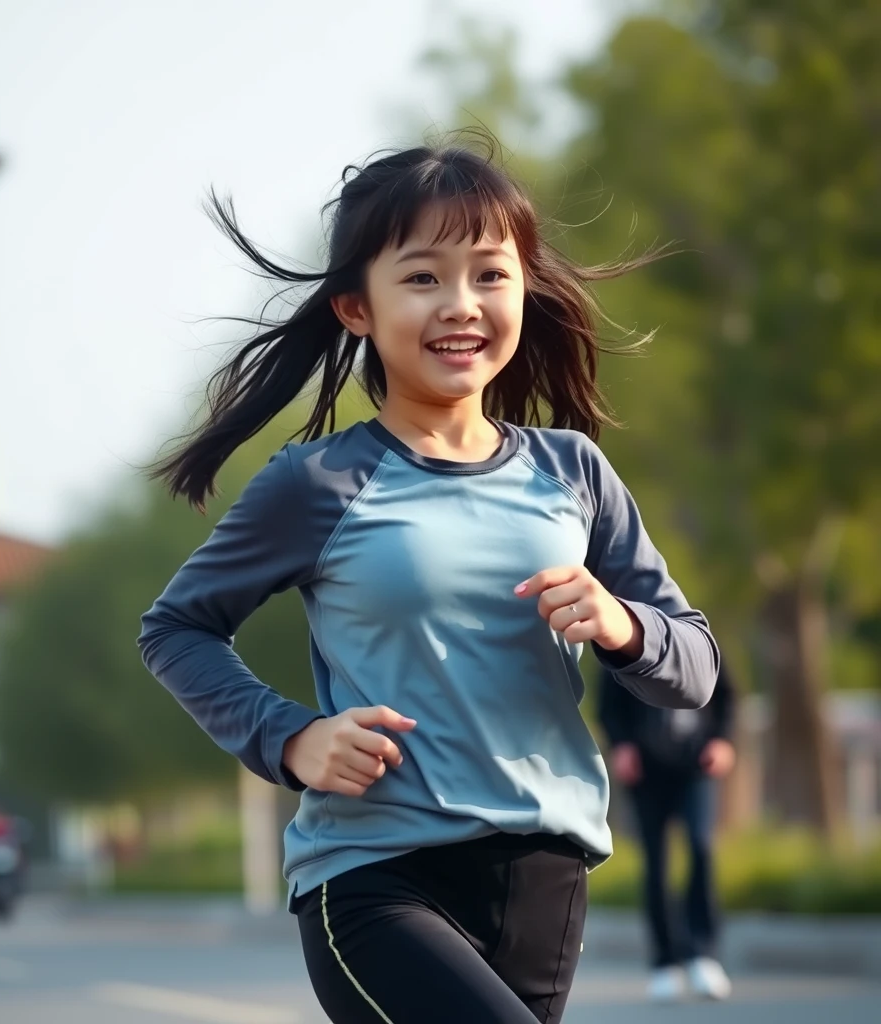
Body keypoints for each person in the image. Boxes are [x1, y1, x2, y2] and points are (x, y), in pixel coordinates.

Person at [138, 134, 719, 1024]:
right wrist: (292, 739)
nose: (462, 304)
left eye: (490, 273)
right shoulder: (317, 483)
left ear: (524, 285)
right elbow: (176, 629)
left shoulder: (574, 473)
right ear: (356, 308)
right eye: (422, 278)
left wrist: (623, 624)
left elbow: (697, 668)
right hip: (375, 880)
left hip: (544, 879)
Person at [597, 660, 736, 1002]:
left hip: (695, 765)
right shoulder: (624, 629)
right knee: (656, 863)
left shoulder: (699, 635)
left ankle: (703, 955)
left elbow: (727, 694)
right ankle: (665, 963)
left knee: (701, 847)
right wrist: (621, 744)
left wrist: (722, 740)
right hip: (646, 769)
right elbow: (608, 704)